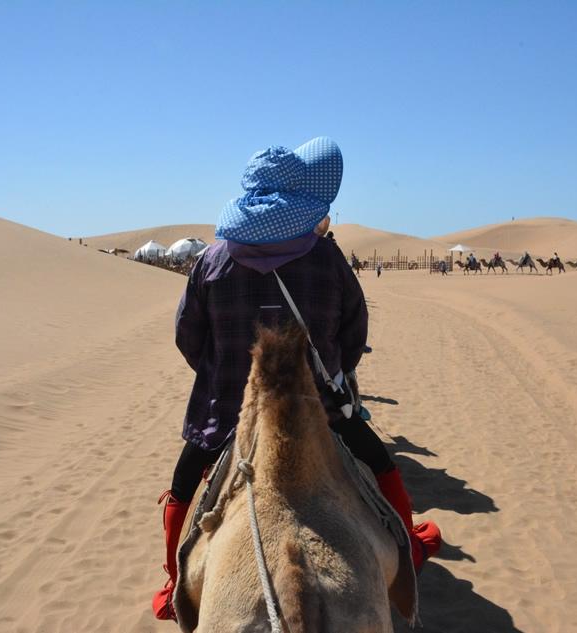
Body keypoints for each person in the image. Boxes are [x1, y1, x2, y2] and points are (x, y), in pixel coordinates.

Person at [152, 137, 440, 621]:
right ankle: (407, 546)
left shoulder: (211, 261)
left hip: (227, 413)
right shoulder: (326, 259)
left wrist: (225, 376)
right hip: (320, 410)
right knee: (381, 465)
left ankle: (172, 579)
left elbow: (188, 338)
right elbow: (354, 332)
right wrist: (332, 369)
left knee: (184, 486)